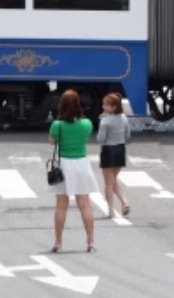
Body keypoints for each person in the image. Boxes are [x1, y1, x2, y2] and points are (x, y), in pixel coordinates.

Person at [48, 89, 98, 253]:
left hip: (64, 164)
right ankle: (90, 241)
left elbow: (51, 142)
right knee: (84, 205)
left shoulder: (57, 125)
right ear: (78, 105)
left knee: (61, 206)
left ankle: (58, 242)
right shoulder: (87, 124)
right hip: (82, 164)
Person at [97, 92, 132, 219]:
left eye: (106, 105)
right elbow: (128, 136)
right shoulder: (124, 118)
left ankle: (111, 209)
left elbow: (100, 139)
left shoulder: (105, 121)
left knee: (108, 183)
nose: (104, 107)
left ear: (114, 107)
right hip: (120, 149)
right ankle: (124, 202)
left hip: (108, 150)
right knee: (113, 180)